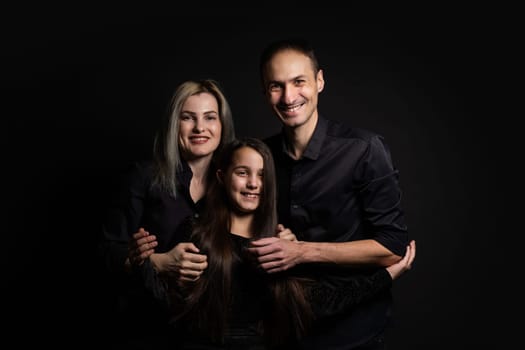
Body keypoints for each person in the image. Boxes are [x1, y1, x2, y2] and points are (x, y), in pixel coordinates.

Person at [131, 137, 416, 349]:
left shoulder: (282, 246)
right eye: (243, 173)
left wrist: (387, 274)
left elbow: (320, 302)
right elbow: (166, 305)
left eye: (262, 175)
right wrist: (146, 264)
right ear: (222, 177)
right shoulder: (195, 233)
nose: (254, 184)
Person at [247, 38, 412, 349]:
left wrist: (302, 251)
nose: (288, 96)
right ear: (264, 91)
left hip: (354, 332)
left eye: (299, 82)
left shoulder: (364, 149)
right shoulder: (261, 156)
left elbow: (393, 248)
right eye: (276, 86)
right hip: (284, 329)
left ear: (319, 81)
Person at [98, 79, 236, 349]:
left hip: (214, 333)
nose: (199, 128)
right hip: (149, 329)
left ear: (222, 125)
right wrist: (158, 263)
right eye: (188, 118)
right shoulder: (143, 177)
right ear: (175, 124)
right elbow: (105, 252)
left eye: (210, 117)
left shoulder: (235, 184)